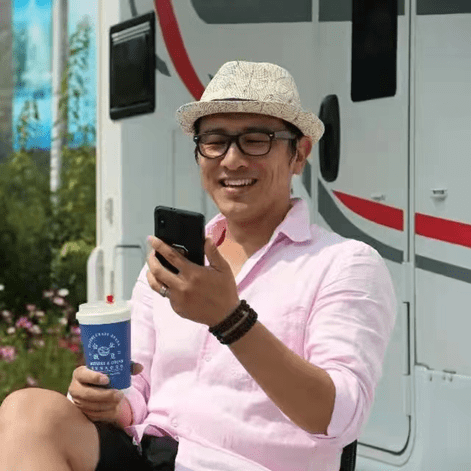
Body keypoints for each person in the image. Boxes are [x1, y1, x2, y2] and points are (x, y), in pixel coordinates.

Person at [0, 61, 396, 471]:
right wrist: (108, 400)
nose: (232, 160)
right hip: (149, 456)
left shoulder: (345, 264)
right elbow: (138, 385)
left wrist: (232, 320)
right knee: (27, 412)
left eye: (256, 141)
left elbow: (339, 417)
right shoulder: (174, 263)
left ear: (299, 154)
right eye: (215, 141)